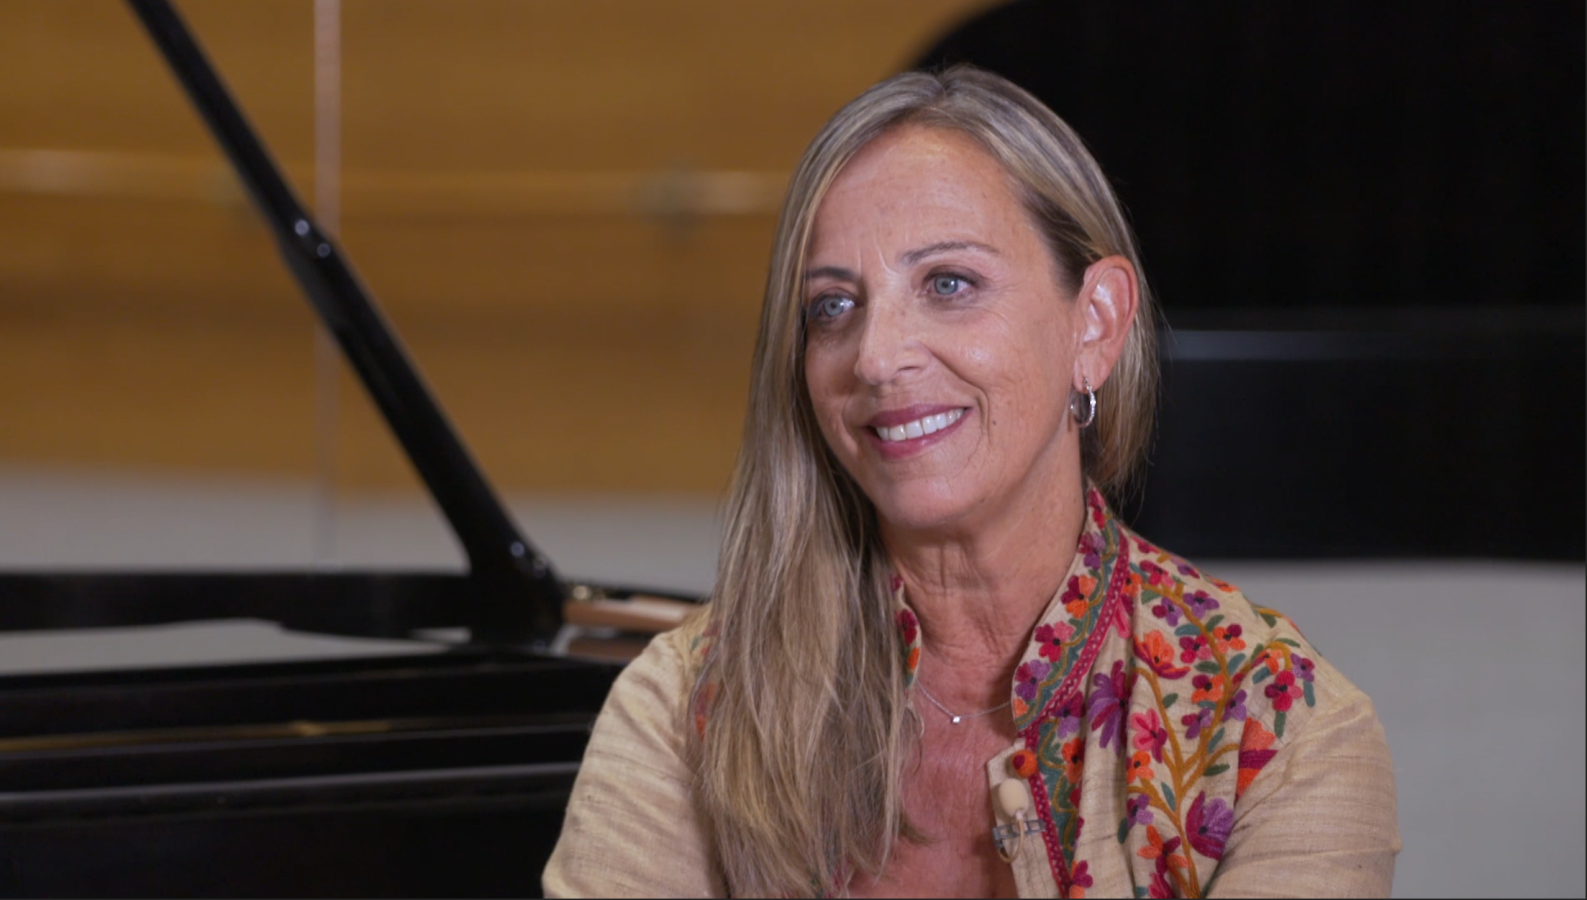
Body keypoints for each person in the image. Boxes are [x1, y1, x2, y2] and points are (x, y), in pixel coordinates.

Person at [544, 66, 1399, 898]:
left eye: (948, 284)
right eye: (833, 307)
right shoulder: (684, 702)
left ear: (1093, 323)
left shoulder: (1279, 728)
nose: (876, 359)